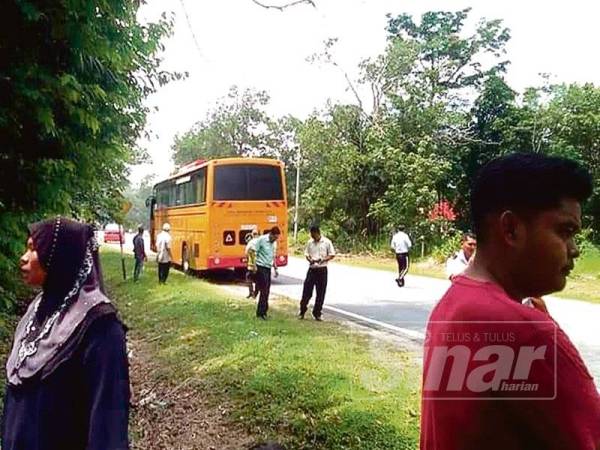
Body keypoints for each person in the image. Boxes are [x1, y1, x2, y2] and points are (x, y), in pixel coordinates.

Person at [420, 153, 600, 449]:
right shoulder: (527, 332)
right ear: (511, 229)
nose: (575, 250)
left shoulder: (453, 304)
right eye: (565, 231)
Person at [2, 217, 130, 450]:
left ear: (58, 258)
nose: (23, 257)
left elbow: (108, 428)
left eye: (33, 249)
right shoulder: (36, 310)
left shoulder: (100, 329)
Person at [299, 225, 336, 321]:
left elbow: (332, 254)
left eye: (314, 235)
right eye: (311, 235)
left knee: (321, 292)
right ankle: (302, 310)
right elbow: (306, 254)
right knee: (307, 291)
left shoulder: (326, 242)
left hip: (322, 269)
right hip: (312, 269)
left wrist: (323, 259)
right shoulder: (310, 242)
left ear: (318, 233)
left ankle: (317, 312)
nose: (312, 237)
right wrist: (309, 259)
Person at [254, 226, 281, 320]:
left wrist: (275, 267)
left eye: (277, 238)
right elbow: (254, 252)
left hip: (268, 268)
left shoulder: (274, 243)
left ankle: (264, 311)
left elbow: (272, 256)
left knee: (267, 291)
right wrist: (253, 266)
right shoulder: (261, 240)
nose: (275, 239)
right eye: (275, 237)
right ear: (270, 234)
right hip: (260, 267)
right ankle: (260, 313)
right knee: (264, 290)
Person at [245, 229, 260, 298]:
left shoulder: (251, 243)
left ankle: (251, 293)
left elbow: (246, 252)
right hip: (259, 265)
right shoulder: (261, 242)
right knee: (257, 279)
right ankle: (255, 293)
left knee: (249, 278)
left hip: (252, 265)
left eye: (254, 234)